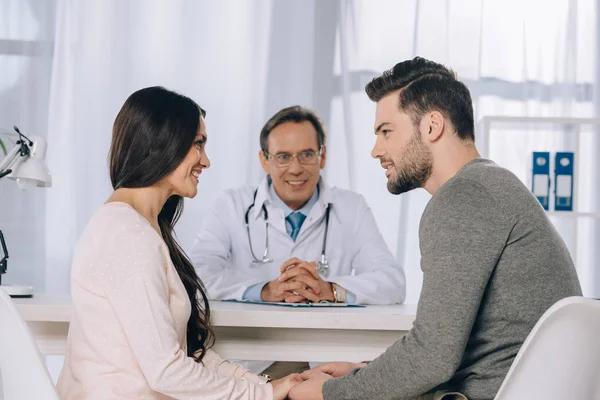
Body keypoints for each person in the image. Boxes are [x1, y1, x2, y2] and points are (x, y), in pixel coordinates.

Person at [290, 57, 582, 400]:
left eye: (386, 131)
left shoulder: (464, 196)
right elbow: (444, 351)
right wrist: (361, 373)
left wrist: (332, 393)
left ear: (431, 126)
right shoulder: (492, 186)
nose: (375, 150)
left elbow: (432, 356)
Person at [56, 86, 301, 400]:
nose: (206, 161)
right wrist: (263, 394)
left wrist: (264, 386)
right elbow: (167, 372)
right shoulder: (126, 235)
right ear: (162, 143)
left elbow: (185, 353)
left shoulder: (143, 228)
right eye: (198, 144)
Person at [190, 105, 405, 377]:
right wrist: (262, 291)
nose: (295, 169)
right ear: (264, 160)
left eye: (306, 154)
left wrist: (329, 290)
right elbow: (196, 277)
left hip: (326, 362)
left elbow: (393, 282)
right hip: (253, 363)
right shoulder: (231, 205)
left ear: (322, 156)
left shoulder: (351, 207)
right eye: (283, 157)